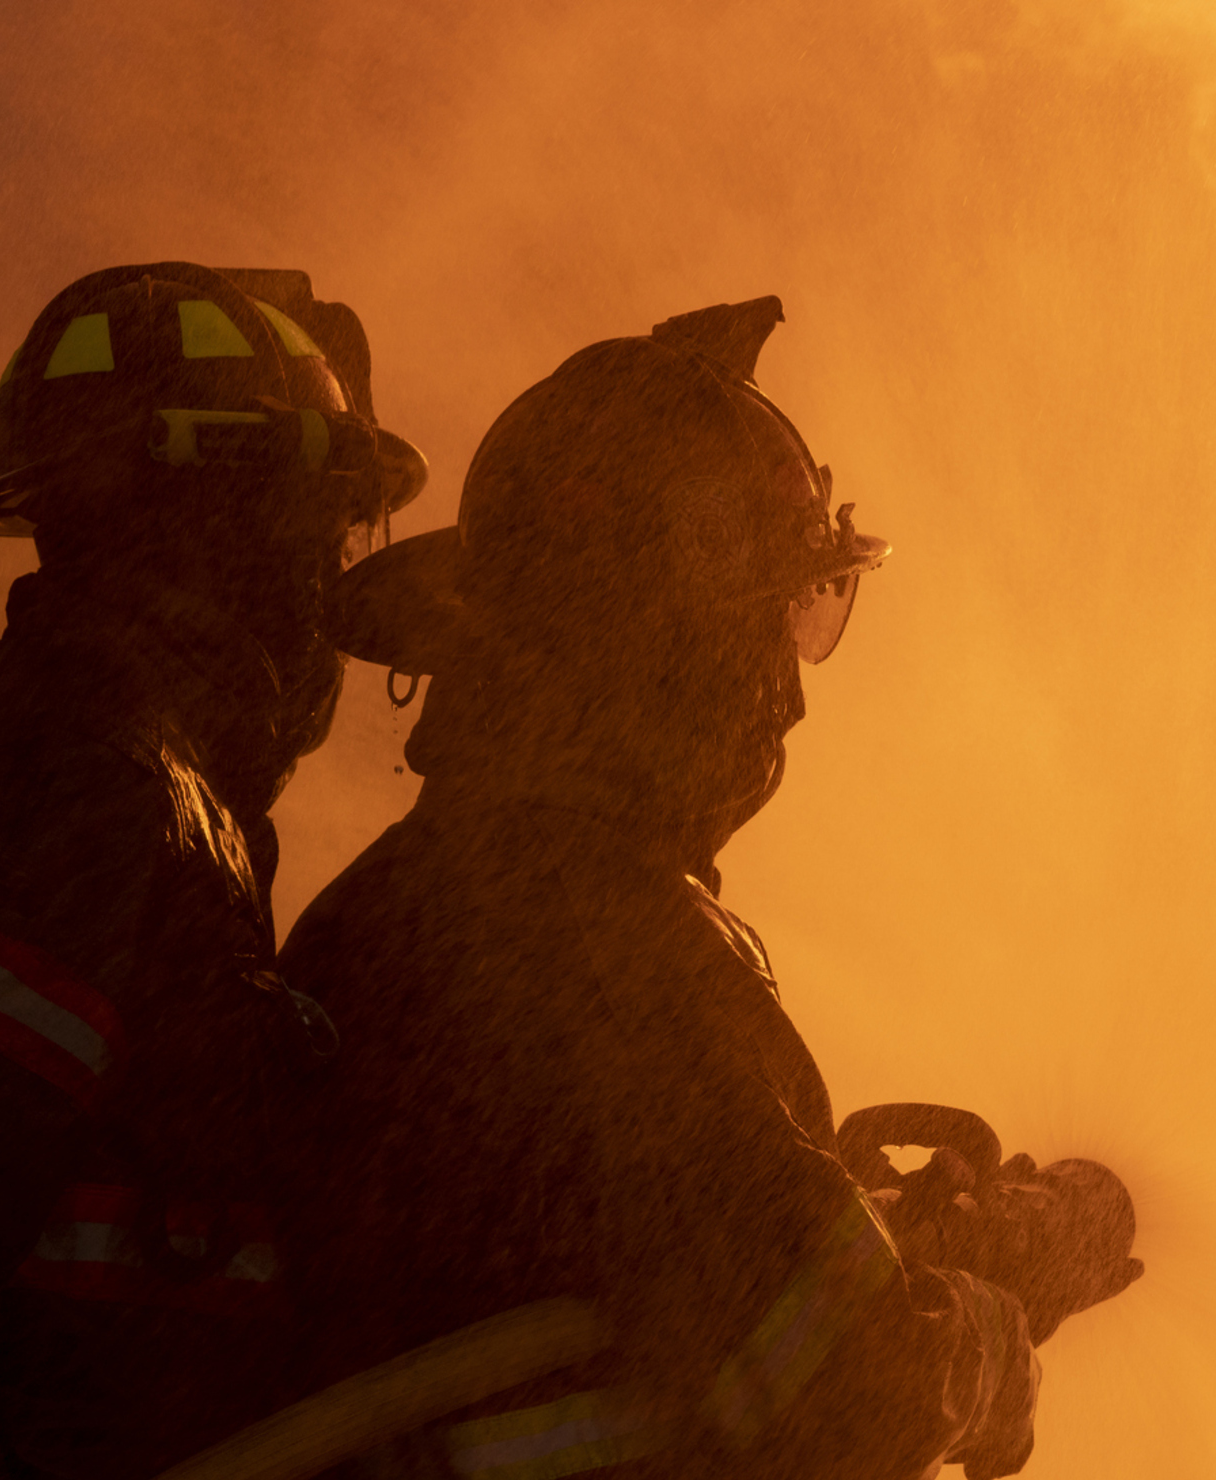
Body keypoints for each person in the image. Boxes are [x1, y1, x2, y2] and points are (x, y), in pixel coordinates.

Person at [278, 298, 1139, 1480]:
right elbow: (847, 1384)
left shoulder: (398, 907)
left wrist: (881, 1233)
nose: (787, 701)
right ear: (657, 647)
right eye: (767, 633)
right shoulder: (602, 946)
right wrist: (988, 1332)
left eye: (811, 617)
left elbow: (659, 1272)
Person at [0, 263, 426, 1479]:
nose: (333, 580)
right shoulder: (65, 770)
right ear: (226, 517)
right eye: (322, 523)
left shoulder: (131, 775)